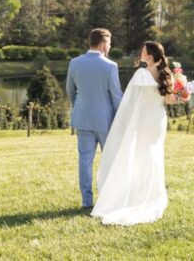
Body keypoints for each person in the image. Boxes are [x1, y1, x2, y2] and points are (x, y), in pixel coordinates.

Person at [91, 40, 178, 225]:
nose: (141, 53)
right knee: (153, 152)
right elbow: (170, 100)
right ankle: (151, 191)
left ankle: (137, 192)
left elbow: (129, 102)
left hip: (144, 120)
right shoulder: (166, 73)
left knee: (139, 153)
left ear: (151, 55)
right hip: (157, 119)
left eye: (144, 51)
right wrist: (183, 94)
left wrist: (124, 123)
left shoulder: (141, 74)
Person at [65, 28, 124, 209]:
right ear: (103, 44)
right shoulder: (110, 66)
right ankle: (109, 198)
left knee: (84, 159)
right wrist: (122, 118)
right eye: (109, 43)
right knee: (110, 159)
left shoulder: (74, 63)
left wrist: (80, 108)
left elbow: (70, 90)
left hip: (82, 118)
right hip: (105, 120)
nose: (110, 47)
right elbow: (116, 96)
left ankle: (87, 201)